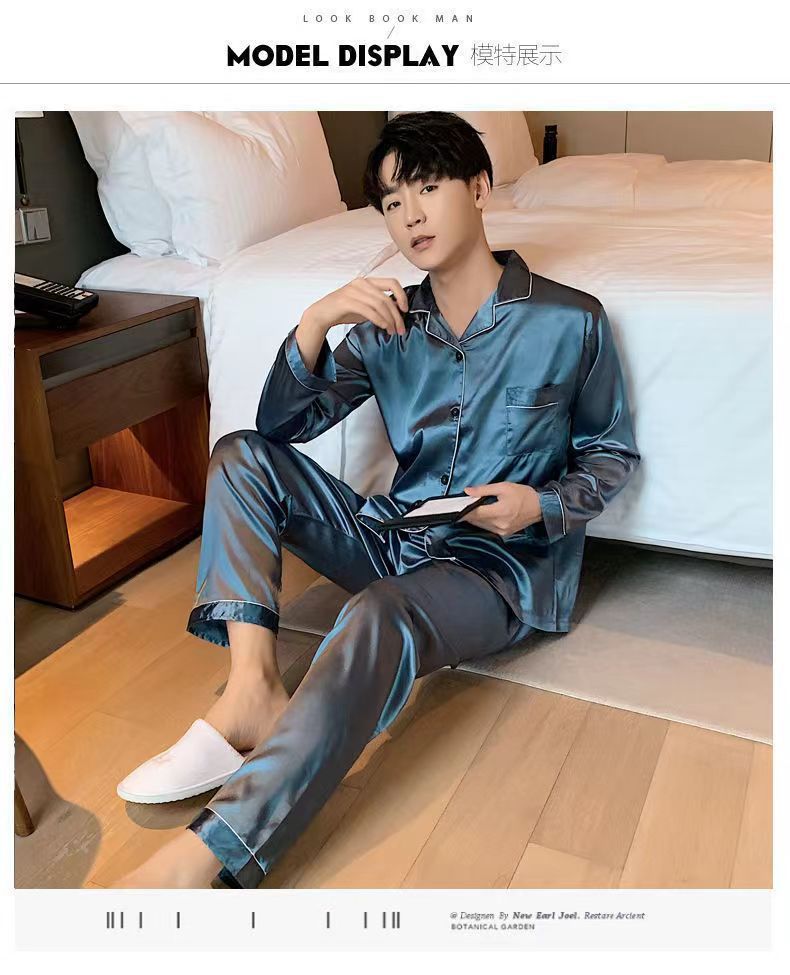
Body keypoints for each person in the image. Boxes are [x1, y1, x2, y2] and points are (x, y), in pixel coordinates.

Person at [112, 111, 640, 888]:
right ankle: (254, 688)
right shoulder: (387, 327)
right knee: (241, 456)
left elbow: (611, 453)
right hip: (398, 537)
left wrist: (538, 505)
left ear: (480, 187)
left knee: (377, 613)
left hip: (498, 569)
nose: (411, 214)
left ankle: (206, 855)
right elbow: (281, 427)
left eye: (427, 188)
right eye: (392, 202)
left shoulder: (570, 319)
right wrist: (318, 319)